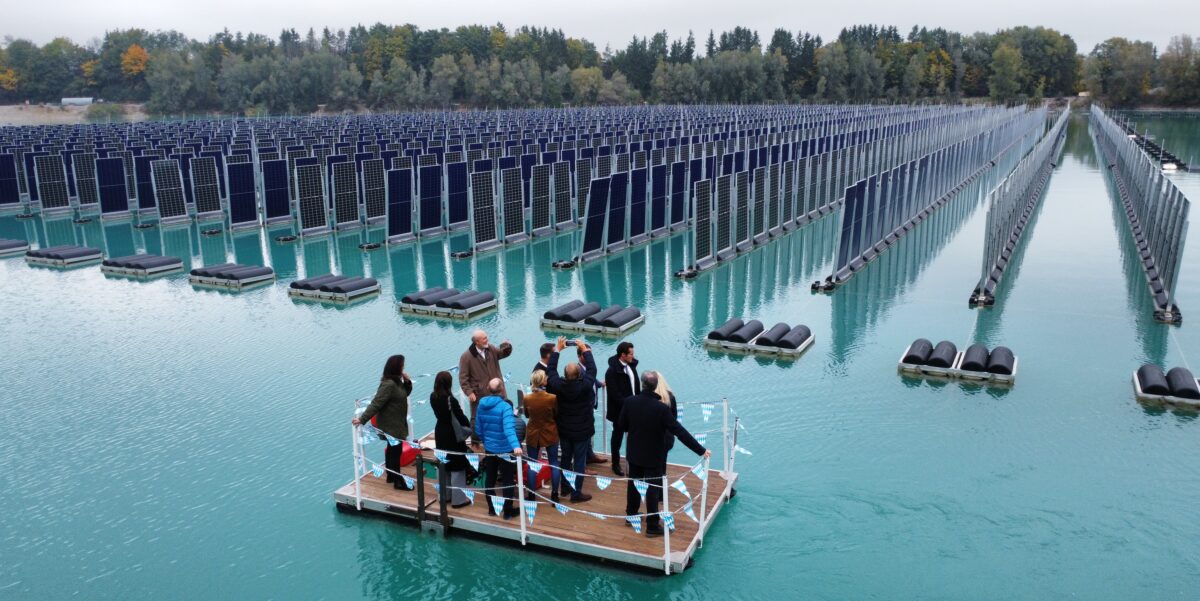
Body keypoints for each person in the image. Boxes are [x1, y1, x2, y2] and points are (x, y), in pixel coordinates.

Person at [618, 371, 709, 537]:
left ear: (642, 383)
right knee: (653, 490)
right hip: (653, 455)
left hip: (634, 452)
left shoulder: (629, 402)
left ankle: (631, 515)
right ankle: (652, 526)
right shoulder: (661, 408)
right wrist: (701, 450)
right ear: (656, 385)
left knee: (633, 485)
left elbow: (622, 426)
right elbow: (680, 432)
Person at [546, 337, 597, 503]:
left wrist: (557, 350)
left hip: (565, 430)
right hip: (582, 431)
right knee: (579, 461)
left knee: (566, 458)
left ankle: (565, 488)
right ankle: (576, 494)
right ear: (579, 375)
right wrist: (584, 348)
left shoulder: (557, 385)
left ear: (565, 375)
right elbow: (593, 369)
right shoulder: (586, 385)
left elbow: (550, 371)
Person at [351, 355, 413, 490]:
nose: (404, 367)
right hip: (390, 425)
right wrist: (362, 419)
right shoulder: (389, 384)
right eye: (402, 365)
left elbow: (404, 394)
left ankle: (391, 476)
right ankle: (398, 481)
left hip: (396, 422)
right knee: (395, 451)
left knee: (392, 450)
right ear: (397, 367)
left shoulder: (396, 382)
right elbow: (376, 403)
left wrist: (407, 381)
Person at [473, 378, 523, 519]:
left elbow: (478, 428)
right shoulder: (505, 407)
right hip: (505, 449)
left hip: (490, 448)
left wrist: (485, 441)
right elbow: (509, 429)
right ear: (501, 389)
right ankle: (507, 512)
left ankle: (492, 509)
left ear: (489, 389)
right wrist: (516, 446)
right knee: (507, 480)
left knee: (490, 478)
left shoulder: (481, 405)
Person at [430, 371, 473, 508]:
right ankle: (458, 500)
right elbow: (460, 416)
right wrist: (468, 425)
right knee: (457, 466)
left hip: (440, 431)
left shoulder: (433, 397)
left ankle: (445, 496)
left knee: (444, 464)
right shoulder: (450, 399)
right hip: (452, 434)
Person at [458, 329, 513, 427]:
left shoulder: (490, 349)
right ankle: (476, 440)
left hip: (498, 391)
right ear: (477, 342)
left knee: (501, 417)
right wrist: (469, 392)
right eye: (484, 339)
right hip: (480, 395)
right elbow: (463, 378)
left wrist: (507, 346)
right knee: (482, 420)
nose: (487, 340)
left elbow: (502, 353)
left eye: (486, 337)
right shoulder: (466, 357)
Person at [522, 370, 560, 502]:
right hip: (550, 431)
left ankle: (531, 495)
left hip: (533, 432)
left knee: (533, 464)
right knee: (554, 463)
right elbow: (556, 413)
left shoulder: (527, 398)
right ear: (543, 381)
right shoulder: (552, 397)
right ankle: (555, 495)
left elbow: (527, 415)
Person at [604, 341, 639, 476]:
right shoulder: (611, 371)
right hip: (619, 411)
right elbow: (614, 395)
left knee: (634, 436)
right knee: (617, 437)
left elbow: (636, 387)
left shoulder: (631, 366)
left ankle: (634, 462)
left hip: (634, 408)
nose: (633, 356)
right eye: (630, 354)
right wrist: (631, 404)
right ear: (622, 355)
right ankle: (615, 463)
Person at [653, 372, 678, 473]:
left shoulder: (648, 398)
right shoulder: (670, 397)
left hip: (651, 436)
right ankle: (662, 482)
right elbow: (674, 417)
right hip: (666, 437)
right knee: (662, 461)